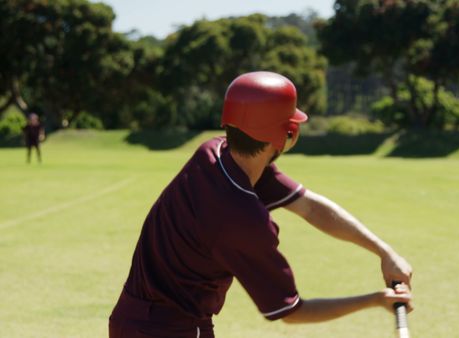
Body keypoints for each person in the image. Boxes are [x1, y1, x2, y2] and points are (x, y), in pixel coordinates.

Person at [109, 71, 413, 338]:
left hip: (127, 319)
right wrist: (375, 300)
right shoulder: (242, 219)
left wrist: (384, 252)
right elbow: (292, 311)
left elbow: (310, 207)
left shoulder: (215, 153)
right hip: (174, 331)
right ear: (288, 135)